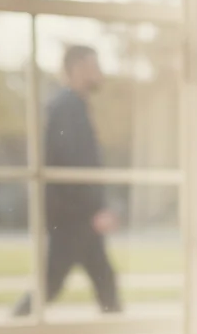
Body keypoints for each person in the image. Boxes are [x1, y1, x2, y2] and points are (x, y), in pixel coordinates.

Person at [14, 45, 122, 316]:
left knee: (102, 280)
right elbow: (72, 165)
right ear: (77, 68)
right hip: (73, 217)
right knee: (54, 283)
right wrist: (95, 210)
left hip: (76, 216)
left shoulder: (73, 106)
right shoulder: (66, 107)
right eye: (94, 66)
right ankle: (12, 328)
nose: (100, 73)